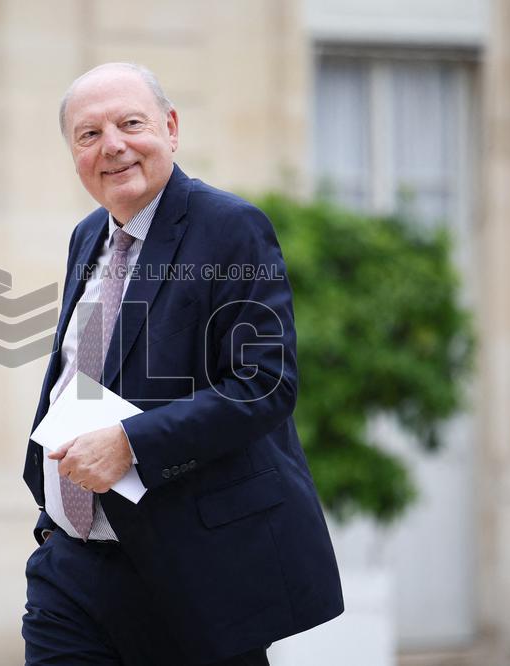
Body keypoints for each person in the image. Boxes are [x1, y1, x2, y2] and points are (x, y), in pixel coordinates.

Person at [21, 62, 344, 666]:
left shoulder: (230, 229)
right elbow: (84, 375)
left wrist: (131, 444)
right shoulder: (87, 236)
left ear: (170, 128)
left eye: (130, 124)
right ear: (74, 154)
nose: (111, 145)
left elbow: (264, 385)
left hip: (190, 576)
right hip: (69, 570)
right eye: (89, 134)